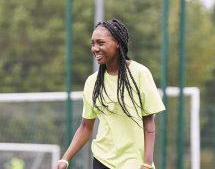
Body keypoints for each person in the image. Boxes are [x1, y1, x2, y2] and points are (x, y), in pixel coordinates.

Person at [55, 19, 166, 169]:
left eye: (101, 43)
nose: (95, 48)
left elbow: (149, 122)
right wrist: (65, 159)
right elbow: (85, 127)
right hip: (102, 160)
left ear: (118, 43)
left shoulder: (140, 73)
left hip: (134, 163)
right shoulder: (92, 82)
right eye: (93, 43)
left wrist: (146, 162)